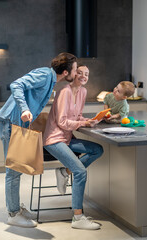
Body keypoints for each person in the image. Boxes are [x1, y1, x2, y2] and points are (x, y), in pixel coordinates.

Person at [0, 52, 77, 228]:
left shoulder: (50, 80)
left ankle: (15, 207)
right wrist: (24, 109)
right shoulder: (44, 74)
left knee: (17, 168)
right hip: (10, 122)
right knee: (13, 169)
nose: (76, 73)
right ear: (65, 72)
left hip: (17, 124)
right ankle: (13, 214)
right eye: (75, 69)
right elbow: (16, 84)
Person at [43, 65, 104, 230]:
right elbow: (63, 122)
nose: (84, 76)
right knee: (80, 171)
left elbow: (76, 117)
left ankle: (64, 172)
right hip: (54, 140)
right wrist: (83, 123)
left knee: (98, 149)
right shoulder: (65, 92)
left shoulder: (83, 92)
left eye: (87, 74)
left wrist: (90, 120)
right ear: (73, 74)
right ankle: (78, 218)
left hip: (67, 138)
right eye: (80, 72)